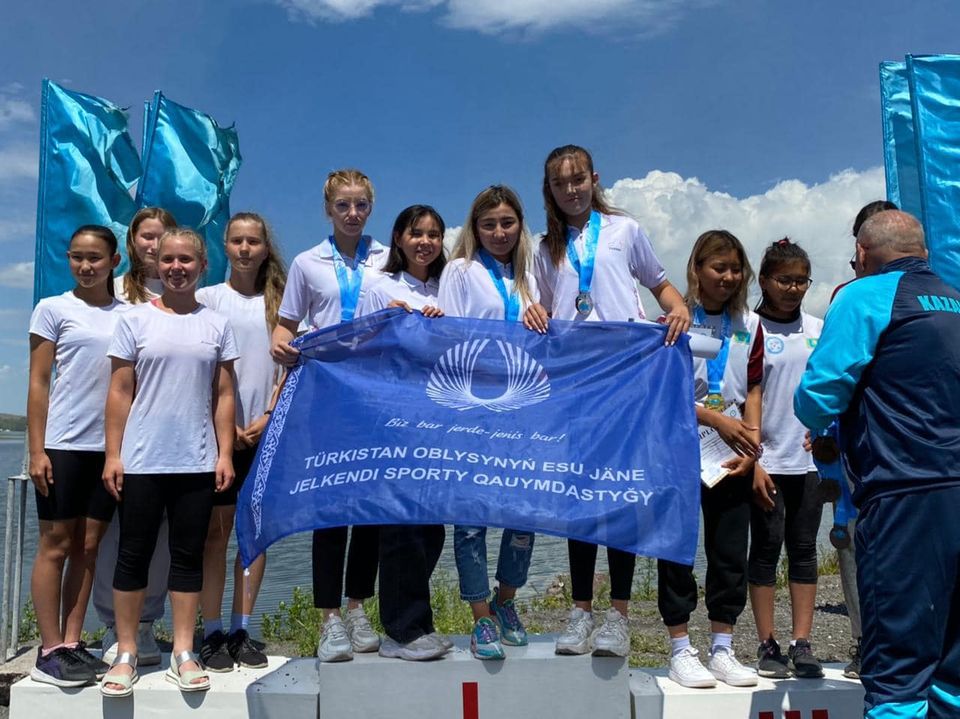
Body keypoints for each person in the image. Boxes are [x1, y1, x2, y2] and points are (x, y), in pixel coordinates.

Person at [525, 144, 690, 658]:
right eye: (559, 183)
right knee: (579, 496)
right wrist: (533, 310)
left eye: (578, 179)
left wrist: (679, 308)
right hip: (576, 384)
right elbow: (541, 306)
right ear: (549, 190)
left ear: (594, 179)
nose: (570, 190)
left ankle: (618, 615)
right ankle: (580, 611)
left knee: (621, 493)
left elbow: (660, 285)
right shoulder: (543, 248)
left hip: (626, 378)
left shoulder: (625, 229)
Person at [796, 210, 960, 719]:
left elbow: (816, 397)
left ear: (862, 254)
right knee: (952, 661)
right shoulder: (955, 299)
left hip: (904, 492)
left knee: (897, 658)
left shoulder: (863, 295)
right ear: (924, 253)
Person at [100, 228, 238, 697]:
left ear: (203, 265)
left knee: (187, 557)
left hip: (196, 460)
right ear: (155, 264)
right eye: (168, 260)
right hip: (141, 460)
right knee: (132, 555)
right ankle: (126, 653)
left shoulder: (216, 324)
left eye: (186, 260)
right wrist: (113, 454)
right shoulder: (135, 319)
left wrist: (224, 453)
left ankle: (183, 650)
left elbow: (224, 394)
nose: (177, 268)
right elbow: (119, 391)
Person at [271, 169, 386, 662]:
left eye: (361, 205)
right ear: (327, 209)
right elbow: (284, 327)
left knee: (370, 510)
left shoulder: (387, 259)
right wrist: (281, 346)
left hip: (377, 398)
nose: (353, 214)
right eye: (343, 205)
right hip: (328, 400)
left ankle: (358, 608)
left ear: (371, 207)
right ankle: (329, 618)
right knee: (332, 508)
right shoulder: (306, 263)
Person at [438, 184, 538, 660]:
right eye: (489, 224)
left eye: (507, 223)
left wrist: (544, 316)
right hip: (474, 411)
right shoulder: (459, 271)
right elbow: (448, 339)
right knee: (472, 521)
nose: (499, 232)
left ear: (520, 225)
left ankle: (506, 601)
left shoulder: (530, 273)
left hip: (526, 410)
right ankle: (480, 617)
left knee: (523, 516)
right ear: (474, 229)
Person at [658, 230, 762, 689]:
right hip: (681, 445)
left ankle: (723, 647)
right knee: (676, 549)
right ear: (697, 269)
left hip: (732, 450)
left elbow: (754, 388)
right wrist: (713, 420)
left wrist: (751, 444)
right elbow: (664, 389)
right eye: (719, 267)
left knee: (729, 550)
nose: (728, 277)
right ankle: (680, 648)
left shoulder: (750, 324)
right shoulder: (675, 320)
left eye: (736, 269)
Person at [26, 226, 123, 687]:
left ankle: (71, 641)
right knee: (56, 545)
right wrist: (36, 449)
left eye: (95, 258)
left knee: (87, 547)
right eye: (77, 257)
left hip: (109, 450)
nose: (86, 266)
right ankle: (49, 651)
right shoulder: (53, 309)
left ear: (114, 261)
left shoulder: (130, 315)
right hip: (63, 446)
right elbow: (39, 381)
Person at [356, 205, 449, 662]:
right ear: (398, 238)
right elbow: (357, 343)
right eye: (416, 233)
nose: (425, 242)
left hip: (440, 418)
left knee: (432, 531)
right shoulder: (379, 286)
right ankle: (401, 630)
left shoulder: (449, 285)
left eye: (433, 234)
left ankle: (418, 622)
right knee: (401, 525)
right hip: (394, 420)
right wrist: (382, 324)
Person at [196, 212, 286, 672]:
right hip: (217, 438)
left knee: (253, 537)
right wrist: (225, 426)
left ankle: (241, 628)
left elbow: (291, 368)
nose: (246, 248)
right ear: (225, 246)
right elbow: (198, 367)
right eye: (237, 241)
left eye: (254, 241)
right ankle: (210, 630)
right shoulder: (207, 299)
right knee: (215, 535)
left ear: (266, 248)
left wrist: (269, 417)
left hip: (267, 434)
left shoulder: (282, 303)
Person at [95, 207, 178, 665]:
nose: (154, 244)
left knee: (161, 535)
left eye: (163, 236)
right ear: (132, 242)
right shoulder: (114, 294)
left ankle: (147, 622)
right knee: (115, 535)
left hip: (166, 434)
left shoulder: (184, 292)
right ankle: (112, 624)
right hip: (115, 430)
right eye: (147, 236)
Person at [747, 239, 824, 679]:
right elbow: (741, 396)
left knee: (804, 550)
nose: (793, 289)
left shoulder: (818, 328)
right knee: (764, 551)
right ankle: (767, 643)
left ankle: (802, 642)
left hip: (809, 462)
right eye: (784, 280)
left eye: (801, 281)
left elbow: (831, 387)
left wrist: (827, 432)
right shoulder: (748, 327)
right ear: (764, 281)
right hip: (765, 461)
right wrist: (752, 459)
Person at [827, 199, 897, 679]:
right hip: (857, 445)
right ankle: (862, 641)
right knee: (852, 541)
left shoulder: (924, 292)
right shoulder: (846, 296)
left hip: (906, 447)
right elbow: (831, 375)